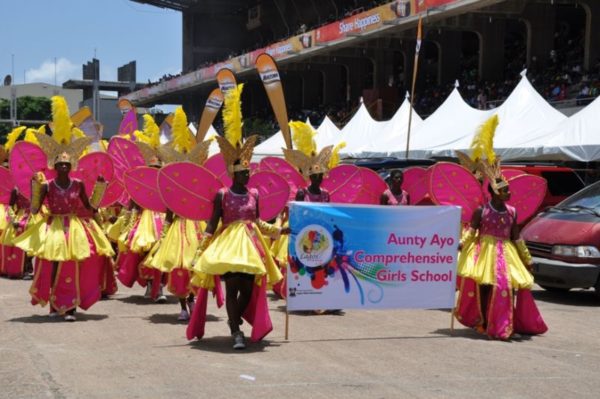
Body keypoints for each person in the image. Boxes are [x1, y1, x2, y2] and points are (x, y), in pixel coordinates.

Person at [189, 84, 285, 349]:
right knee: (232, 288)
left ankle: (236, 320)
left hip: (252, 246)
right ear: (233, 173)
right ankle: (235, 331)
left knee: (249, 288)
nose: (247, 175)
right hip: (229, 246)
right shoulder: (222, 194)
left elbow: (257, 222)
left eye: (248, 172)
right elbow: (212, 221)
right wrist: (201, 248)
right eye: (242, 172)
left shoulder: (255, 193)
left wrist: (279, 230)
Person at [13, 96, 115, 321]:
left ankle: (70, 308)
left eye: (66, 164)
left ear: (72, 166)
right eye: (59, 164)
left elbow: (90, 206)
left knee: (73, 266)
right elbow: (36, 207)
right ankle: (54, 305)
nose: (62, 167)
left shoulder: (78, 184)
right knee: (53, 265)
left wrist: (100, 187)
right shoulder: (47, 184)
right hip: (54, 227)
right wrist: (35, 187)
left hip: (75, 227)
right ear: (54, 165)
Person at [456, 175, 547, 340]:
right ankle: (484, 323)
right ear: (496, 192)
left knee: (510, 288)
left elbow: (516, 237)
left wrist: (527, 259)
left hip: (506, 253)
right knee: (486, 288)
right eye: (505, 190)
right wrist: (461, 244)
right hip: (486, 253)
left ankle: (506, 323)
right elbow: (472, 232)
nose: (509, 192)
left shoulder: (512, 211)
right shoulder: (481, 210)